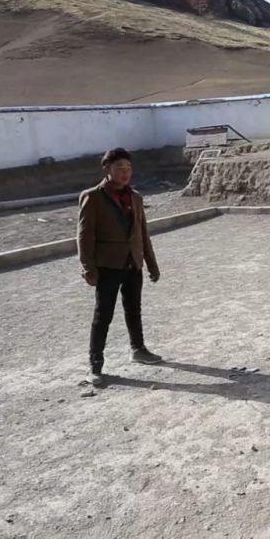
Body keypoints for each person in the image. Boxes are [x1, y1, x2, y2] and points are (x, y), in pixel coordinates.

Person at [77, 147, 163, 386]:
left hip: (132, 263)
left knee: (134, 309)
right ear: (107, 169)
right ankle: (95, 365)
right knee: (102, 316)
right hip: (108, 265)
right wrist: (88, 268)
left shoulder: (135, 197)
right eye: (119, 169)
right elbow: (84, 236)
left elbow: (142, 233)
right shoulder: (92, 196)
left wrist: (151, 263)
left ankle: (139, 349)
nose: (125, 173)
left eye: (128, 169)